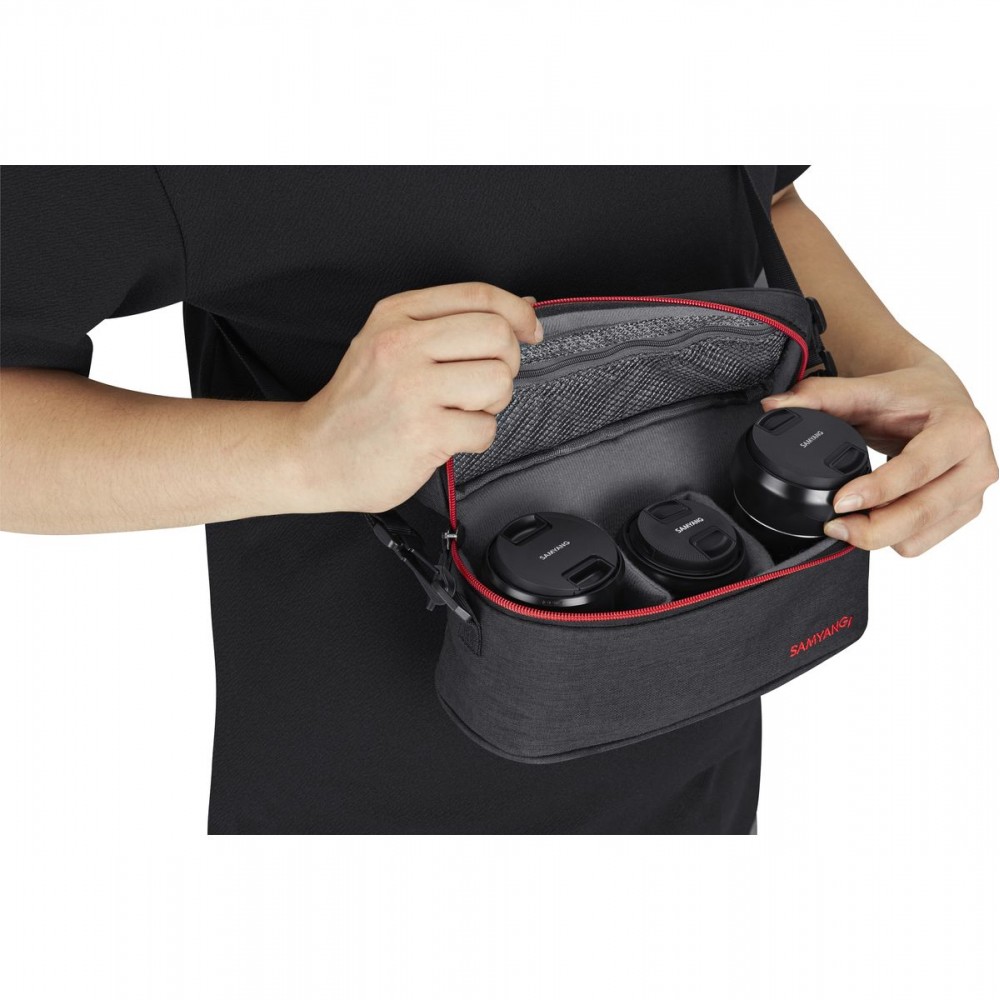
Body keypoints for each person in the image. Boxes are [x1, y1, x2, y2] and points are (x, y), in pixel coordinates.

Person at [1, 166, 995, 834]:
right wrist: (304, 453)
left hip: (702, 739)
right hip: (383, 821)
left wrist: (904, 368)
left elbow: (762, 194)